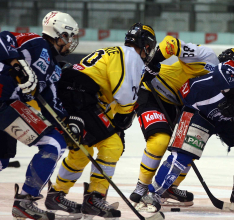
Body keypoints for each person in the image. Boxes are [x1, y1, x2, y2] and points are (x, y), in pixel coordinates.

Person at [138, 50, 234, 213]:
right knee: (183, 153)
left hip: (226, 117)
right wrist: (232, 94)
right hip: (196, 110)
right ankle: (153, 193)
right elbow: (222, 70)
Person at [45, 22, 157, 219]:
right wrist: (121, 121)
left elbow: (109, 93)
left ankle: (56, 195)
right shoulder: (131, 57)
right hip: (79, 95)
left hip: (70, 92)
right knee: (112, 144)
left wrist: (116, 121)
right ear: (146, 46)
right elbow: (123, 94)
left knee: (81, 151)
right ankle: (94, 198)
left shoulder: (115, 51)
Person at [0, 11, 79, 220]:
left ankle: (25, 203)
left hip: (9, 108)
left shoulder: (53, 68)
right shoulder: (35, 42)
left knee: (3, 159)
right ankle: (25, 201)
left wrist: (65, 124)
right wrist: (15, 64)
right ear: (59, 33)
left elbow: (51, 102)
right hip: (4, 102)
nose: (71, 42)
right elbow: (3, 37)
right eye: (69, 36)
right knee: (53, 143)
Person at [129, 35, 221, 210]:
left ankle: (168, 188)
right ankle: (142, 187)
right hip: (153, 92)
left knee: (189, 148)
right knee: (160, 140)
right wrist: (152, 64)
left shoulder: (228, 89)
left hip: (178, 106)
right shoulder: (207, 56)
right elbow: (171, 43)